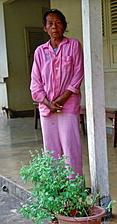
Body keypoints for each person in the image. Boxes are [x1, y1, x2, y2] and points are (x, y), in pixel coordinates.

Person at [30, 9, 84, 178]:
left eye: (58, 23)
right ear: (45, 28)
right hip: (48, 108)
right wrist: (47, 102)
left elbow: (78, 73)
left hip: (68, 105)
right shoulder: (40, 51)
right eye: (50, 24)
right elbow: (35, 83)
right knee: (51, 150)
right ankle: (56, 190)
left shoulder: (73, 45)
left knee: (71, 147)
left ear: (64, 26)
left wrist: (63, 97)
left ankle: (74, 190)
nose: (54, 27)